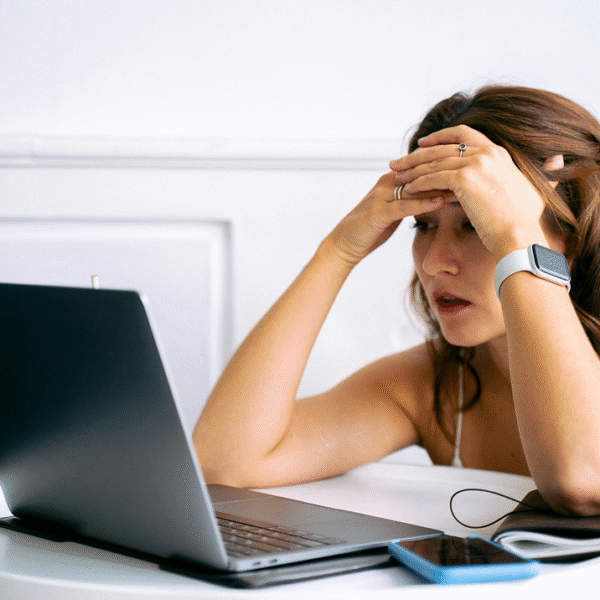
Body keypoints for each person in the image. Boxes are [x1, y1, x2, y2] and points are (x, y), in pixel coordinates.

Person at [193, 85, 600, 516]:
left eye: (477, 226)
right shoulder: (432, 383)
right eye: (422, 226)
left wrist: (517, 238)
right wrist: (338, 251)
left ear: (571, 240)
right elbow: (222, 463)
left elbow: (582, 481)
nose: (434, 264)